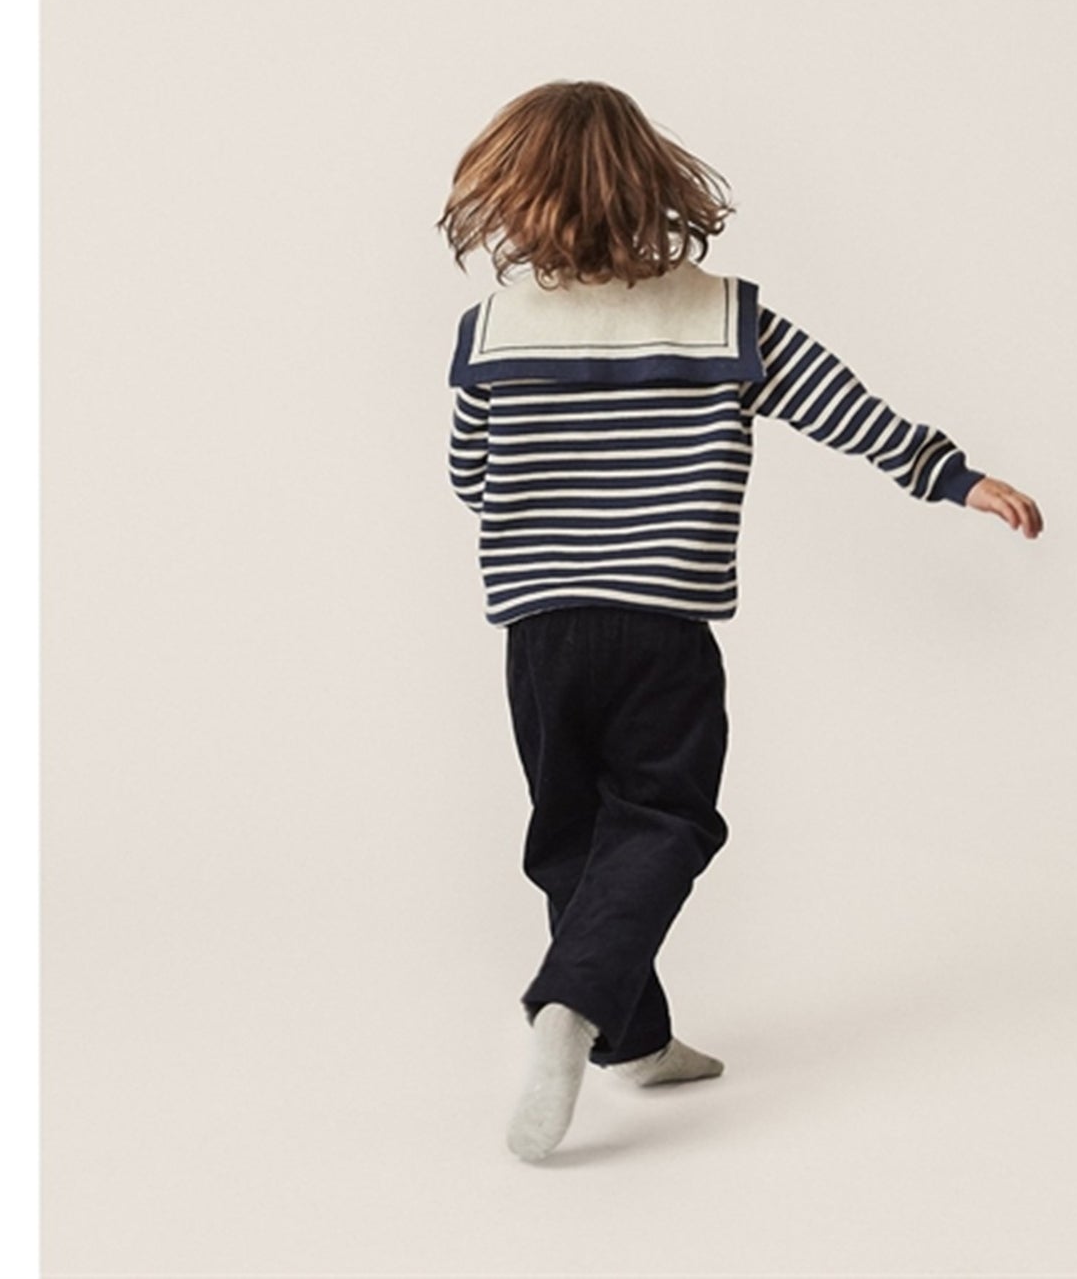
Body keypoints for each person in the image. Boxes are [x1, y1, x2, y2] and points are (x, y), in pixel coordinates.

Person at [435, 80, 1043, 1163]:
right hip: (662, 625)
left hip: (542, 630)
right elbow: (845, 409)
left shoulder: (490, 333)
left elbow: (471, 478)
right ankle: (576, 1005)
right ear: (653, 186)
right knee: (664, 820)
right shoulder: (726, 318)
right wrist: (951, 476)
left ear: (513, 200)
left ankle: (629, 1040)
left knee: (572, 832)